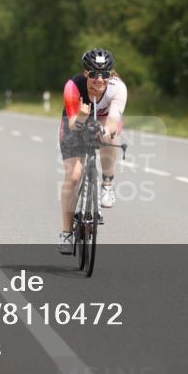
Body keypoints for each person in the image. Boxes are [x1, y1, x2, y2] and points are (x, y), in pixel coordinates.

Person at [57, 48, 127, 255]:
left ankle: (107, 182)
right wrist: (81, 116)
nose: (99, 79)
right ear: (85, 72)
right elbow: (72, 125)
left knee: (109, 135)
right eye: (94, 74)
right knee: (73, 176)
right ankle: (66, 233)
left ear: (110, 74)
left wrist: (105, 130)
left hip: (104, 120)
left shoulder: (118, 88)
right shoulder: (73, 87)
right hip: (74, 122)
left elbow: (114, 119)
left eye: (104, 74)